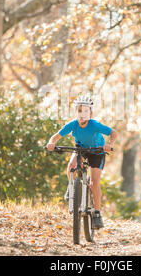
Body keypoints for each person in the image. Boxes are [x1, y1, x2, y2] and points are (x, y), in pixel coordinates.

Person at [46, 95, 117, 229]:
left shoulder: (94, 124)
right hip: (81, 149)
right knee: (71, 166)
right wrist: (51, 143)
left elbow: (114, 133)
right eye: (80, 111)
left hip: (97, 151)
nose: (82, 114)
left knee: (94, 183)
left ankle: (97, 214)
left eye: (86, 111)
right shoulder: (72, 124)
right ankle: (72, 187)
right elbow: (56, 136)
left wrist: (110, 144)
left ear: (90, 112)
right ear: (76, 112)